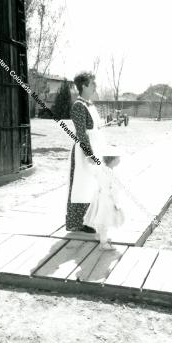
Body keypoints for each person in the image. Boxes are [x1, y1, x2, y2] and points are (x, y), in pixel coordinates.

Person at [66, 71, 106, 232]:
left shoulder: (90, 105)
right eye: (92, 83)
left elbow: (94, 128)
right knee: (82, 185)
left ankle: (92, 219)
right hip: (85, 152)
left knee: (94, 184)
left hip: (96, 148)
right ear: (84, 86)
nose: (95, 86)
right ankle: (80, 222)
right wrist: (89, 154)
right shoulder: (78, 106)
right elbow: (81, 132)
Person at [83, 149, 125, 250]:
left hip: (99, 197)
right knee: (104, 221)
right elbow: (114, 190)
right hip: (107, 200)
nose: (119, 160)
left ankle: (99, 235)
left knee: (98, 216)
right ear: (113, 160)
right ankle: (104, 243)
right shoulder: (111, 173)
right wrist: (117, 203)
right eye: (118, 158)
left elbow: (90, 168)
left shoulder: (99, 169)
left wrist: (88, 160)